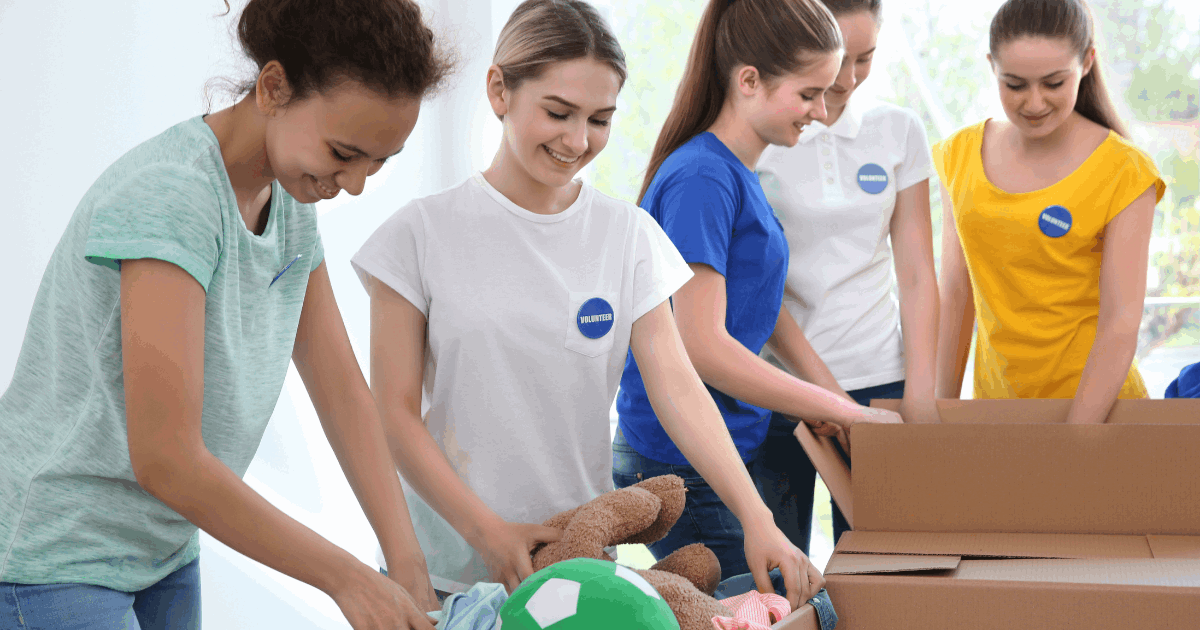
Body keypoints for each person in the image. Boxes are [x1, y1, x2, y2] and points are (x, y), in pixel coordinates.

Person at [353, 0, 825, 610]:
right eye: (558, 112)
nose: (578, 141)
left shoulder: (626, 236)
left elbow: (679, 388)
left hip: (579, 576)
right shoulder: (415, 236)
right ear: (499, 90)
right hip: (438, 577)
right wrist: (487, 533)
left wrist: (758, 518)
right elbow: (393, 415)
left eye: (600, 120)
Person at [0, 1, 454, 628]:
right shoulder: (172, 195)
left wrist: (408, 565)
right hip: (55, 554)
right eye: (344, 152)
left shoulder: (291, 199)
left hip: (161, 550)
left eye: (378, 162)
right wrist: (345, 578)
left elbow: (343, 391)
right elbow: (166, 458)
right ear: (274, 88)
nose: (353, 184)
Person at [613, 0, 902, 584]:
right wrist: (838, 408)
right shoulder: (703, 179)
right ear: (749, 80)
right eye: (808, 94)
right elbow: (702, 345)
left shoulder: (734, 173)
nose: (822, 112)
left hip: (718, 446)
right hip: (682, 460)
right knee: (782, 604)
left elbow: (758, 312)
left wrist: (831, 403)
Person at [752, 0, 941, 556]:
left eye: (867, 57)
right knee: (779, 574)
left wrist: (922, 395)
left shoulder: (898, 131)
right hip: (777, 387)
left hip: (881, 383)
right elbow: (756, 284)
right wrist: (829, 399)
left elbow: (916, 272)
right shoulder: (763, 138)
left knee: (886, 566)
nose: (850, 79)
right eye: (840, 61)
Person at [934, 0, 1164, 423]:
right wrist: (936, 413)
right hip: (1000, 411)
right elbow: (954, 294)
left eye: (1054, 83)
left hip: (1099, 415)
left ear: (1087, 62)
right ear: (992, 67)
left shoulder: (1126, 171)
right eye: (1015, 84)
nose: (1034, 102)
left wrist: (1075, 438)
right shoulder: (959, 155)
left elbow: (1121, 321)